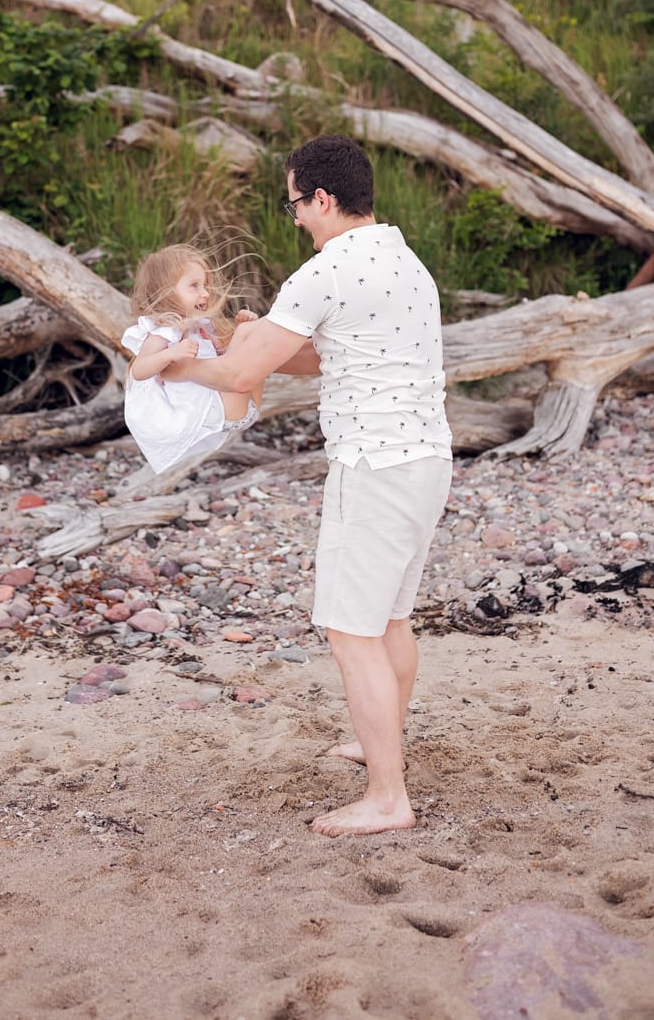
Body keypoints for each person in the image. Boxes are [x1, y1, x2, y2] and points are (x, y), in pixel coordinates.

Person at [165, 134, 452, 837]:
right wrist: (255, 341)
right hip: (424, 462)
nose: (293, 216)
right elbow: (324, 357)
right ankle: (376, 743)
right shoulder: (402, 260)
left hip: (374, 469)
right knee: (389, 621)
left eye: (294, 203)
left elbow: (239, 377)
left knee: (350, 631)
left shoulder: (326, 270)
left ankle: (388, 797)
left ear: (322, 198)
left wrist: (177, 365)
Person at [121, 244, 261, 474]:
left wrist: (238, 328)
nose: (205, 293)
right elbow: (139, 370)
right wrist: (170, 354)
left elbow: (225, 357)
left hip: (239, 408)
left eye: (205, 285)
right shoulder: (164, 331)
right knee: (251, 335)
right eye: (194, 286)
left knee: (251, 336)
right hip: (215, 411)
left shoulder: (200, 326)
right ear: (165, 291)